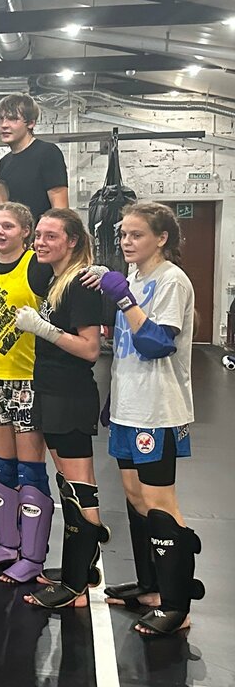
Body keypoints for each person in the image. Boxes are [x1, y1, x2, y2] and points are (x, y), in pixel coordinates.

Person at [98, 204, 201, 636]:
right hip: (129, 406)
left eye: (136, 234)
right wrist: (114, 397)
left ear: (161, 238)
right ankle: (152, 587)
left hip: (158, 409)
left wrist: (124, 300)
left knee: (160, 505)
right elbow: (125, 347)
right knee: (134, 497)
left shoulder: (171, 280)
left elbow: (158, 343)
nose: (126, 241)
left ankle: (177, 605)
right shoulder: (136, 277)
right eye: (123, 234)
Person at [10, 209, 108, 607]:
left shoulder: (80, 285)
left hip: (70, 395)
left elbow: (90, 349)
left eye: (51, 236)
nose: (41, 242)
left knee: (78, 489)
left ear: (72, 241)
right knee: (72, 486)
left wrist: (43, 329)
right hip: (51, 392)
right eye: (38, 234)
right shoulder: (53, 277)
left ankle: (76, 587)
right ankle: (81, 570)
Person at [0, 202, 54, 584]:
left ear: (25, 231)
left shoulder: (36, 266)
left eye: (7, 226)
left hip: (27, 380)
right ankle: (8, 544)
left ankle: (33, 556)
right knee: (1, 467)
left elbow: (68, 284)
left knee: (30, 470)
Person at [0, 94, 69, 224]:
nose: (4, 125)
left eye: (13, 119)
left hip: (41, 234)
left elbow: (60, 209)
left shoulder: (48, 153)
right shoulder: (4, 162)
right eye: (0, 118)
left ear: (31, 123)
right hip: (15, 234)